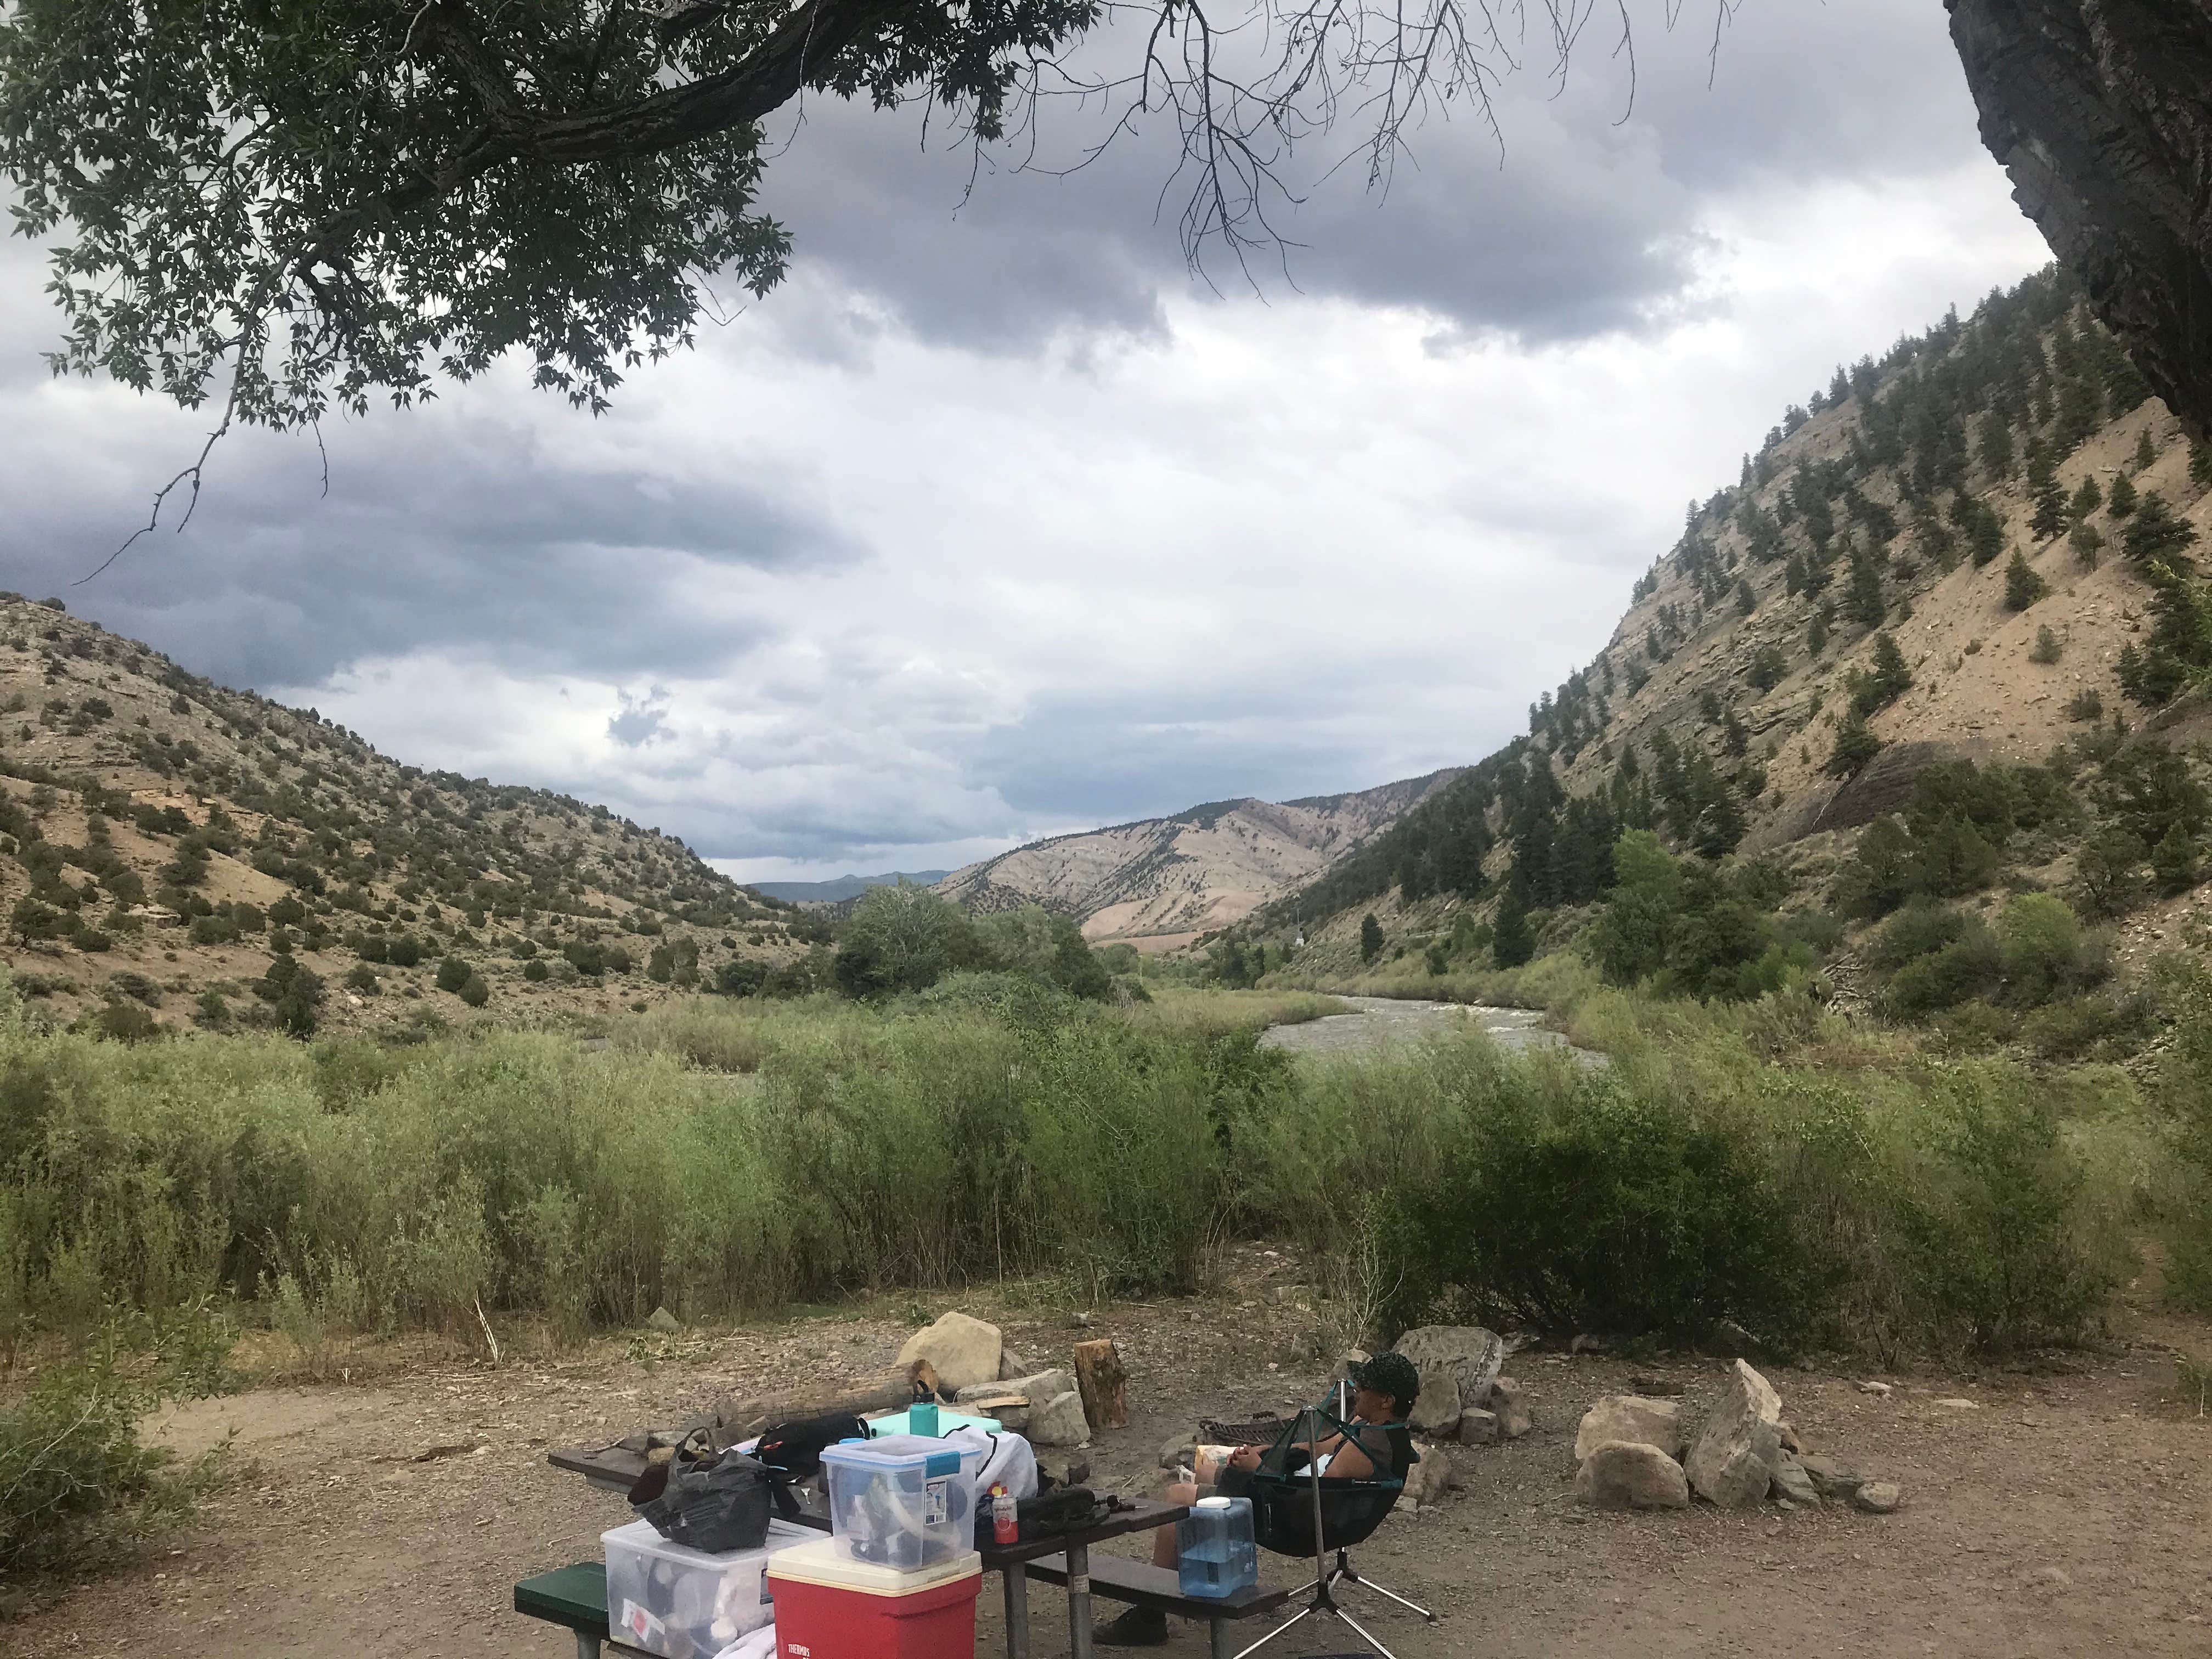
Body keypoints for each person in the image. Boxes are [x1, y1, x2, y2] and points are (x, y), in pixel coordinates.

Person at [1092, 1353, 1420, 1648]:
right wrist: (1270, 1453)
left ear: (1386, 1400)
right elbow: (1321, 1449)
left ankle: (1150, 1619)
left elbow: (1317, 1499)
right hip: (1293, 1496)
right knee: (1206, 1472)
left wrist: (1259, 1470)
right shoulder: (1371, 1424)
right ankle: (1205, 1588)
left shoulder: (1371, 1448)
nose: (1358, 1390)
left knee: (1178, 1498)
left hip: (1295, 1519)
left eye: (1365, 1387)